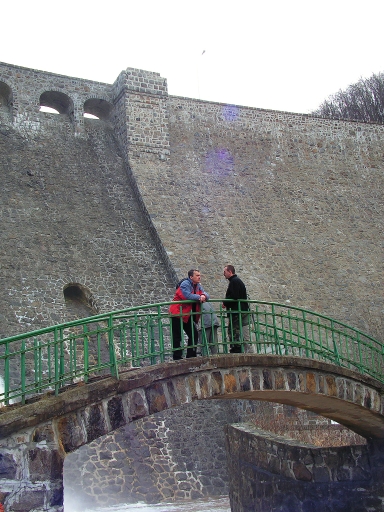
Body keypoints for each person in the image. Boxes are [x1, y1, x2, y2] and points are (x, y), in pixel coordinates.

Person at [169, 269, 209, 360]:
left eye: (199, 275)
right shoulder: (185, 284)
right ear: (191, 277)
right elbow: (186, 296)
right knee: (177, 336)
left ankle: (191, 355)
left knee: (193, 334)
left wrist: (204, 296)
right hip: (177, 313)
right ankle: (177, 357)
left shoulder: (197, 285)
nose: (199, 277)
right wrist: (200, 297)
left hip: (185, 314)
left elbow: (206, 294)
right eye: (197, 275)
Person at [222, 265, 252, 353]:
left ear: (230, 272)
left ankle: (236, 349)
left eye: (225, 272)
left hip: (236, 311)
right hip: (242, 309)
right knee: (241, 331)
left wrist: (225, 302)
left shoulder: (234, 281)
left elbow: (235, 296)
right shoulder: (237, 281)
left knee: (233, 330)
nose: (224, 274)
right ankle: (242, 349)